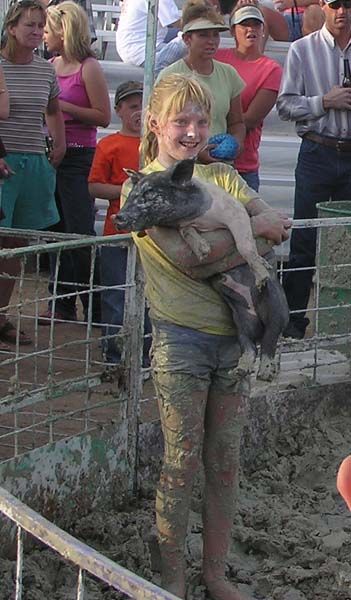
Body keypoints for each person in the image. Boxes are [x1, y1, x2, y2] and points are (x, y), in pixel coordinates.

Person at [121, 73, 290, 599]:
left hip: (232, 340)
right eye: (181, 122)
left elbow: (267, 218)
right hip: (182, 342)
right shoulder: (141, 187)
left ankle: (213, 573)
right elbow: (189, 260)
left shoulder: (221, 175)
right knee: (182, 458)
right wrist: (248, 234)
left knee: (224, 460)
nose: (192, 132)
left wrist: (252, 225)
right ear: (155, 124)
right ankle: (170, 577)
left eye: (201, 121)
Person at [277, 0, 351, 339]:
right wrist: (324, 102)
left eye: (348, 5)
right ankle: (293, 325)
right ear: (323, 5)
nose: (342, 11)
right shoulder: (301, 49)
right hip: (318, 150)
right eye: (336, 4)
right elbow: (285, 104)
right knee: (305, 239)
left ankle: (341, 327)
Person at [39, 0, 110, 325]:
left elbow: (102, 116)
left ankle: (95, 306)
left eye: (47, 30)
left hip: (80, 156)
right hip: (54, 152)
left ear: (62, 32)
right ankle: (62, 302)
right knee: (57, 230)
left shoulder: (88, 67)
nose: (43, 35)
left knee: (79, 232)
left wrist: (64, 109)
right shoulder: (51, 65)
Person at [0, 0, 65, 347]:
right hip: (3, 161)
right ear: (12, 27)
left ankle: (1, 314)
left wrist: (59, 143)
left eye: (41, 26)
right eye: (30, 25)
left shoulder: (45, 69)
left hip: (33, 163)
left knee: (17, 244)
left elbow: (53, 108)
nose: (37, 32)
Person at [88, 80, 151, 364]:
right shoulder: (109, 145)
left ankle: (147, 354)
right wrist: (128, 189)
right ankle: (115, 354)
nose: (139, 111)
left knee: (151, 296)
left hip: (152, 234)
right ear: (119, 111)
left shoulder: (156, 143)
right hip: (116, 231)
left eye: (144, 105)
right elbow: (94, 187)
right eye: (133, 106)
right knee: (116, 293)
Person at [157, 0, 246, 163]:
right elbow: (159, 127)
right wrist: (195, 152)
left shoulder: (229, 74)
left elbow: (237, 122)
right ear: (187, 39)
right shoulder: (169, 76)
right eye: (203, 34)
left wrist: (236, 145)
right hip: (179, 167)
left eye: (215, 34)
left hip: (220, 166)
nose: (211, 41)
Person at [216, 4, 282, 191]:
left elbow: (251, 119)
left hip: (242, 165)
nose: (251, 29)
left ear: (263, 30)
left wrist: (211, 124)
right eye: (244, 24)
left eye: (256, 24)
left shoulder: (271, 69)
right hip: (206, 161)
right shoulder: (217, 58)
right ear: (232, 30)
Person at [116, 0, 187, 76]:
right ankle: (158, 74)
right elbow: (176, 23)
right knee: (191, 40)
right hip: (142, 51)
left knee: (180, 34)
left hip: (127, 48)